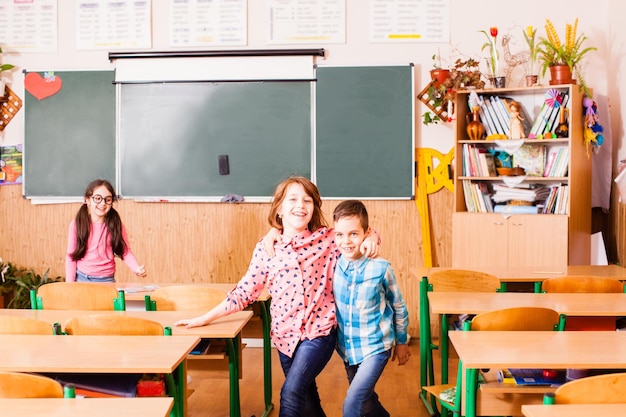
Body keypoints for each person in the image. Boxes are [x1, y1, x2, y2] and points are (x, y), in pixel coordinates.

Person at [175, 176, 379, 417]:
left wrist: (372, 237)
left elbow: (357, 231)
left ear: (314, 208)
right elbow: (244, 291)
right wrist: (203, 319)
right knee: (307, 403)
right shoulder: (266, 247)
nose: (300, 206)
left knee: (290, 393)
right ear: (280, 208)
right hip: (284, 338)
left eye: (307, 200)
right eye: (292, 199)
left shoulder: (327, 239)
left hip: (319, 333)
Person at [332, 200, 409, 417]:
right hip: (347, 349)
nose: (346, 241)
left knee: (352, 405)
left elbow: (398, 306)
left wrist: (402, 342)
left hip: (376, 347)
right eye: (340, 234)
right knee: (365, 401)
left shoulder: (381, 268)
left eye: (353, 234)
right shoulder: (334, 262)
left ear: (367, 233)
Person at [65, 179, 146, 282]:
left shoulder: (116, 225)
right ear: (88, 200)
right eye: (98, 198)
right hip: (82, 278)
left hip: (107, 280)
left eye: (107, 200)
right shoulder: (77, 224)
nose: (103, 203)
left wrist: (136, 268)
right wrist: (69, 285)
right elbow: (71, 256)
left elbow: (125, 251)